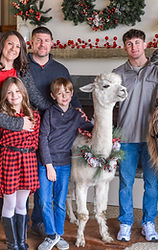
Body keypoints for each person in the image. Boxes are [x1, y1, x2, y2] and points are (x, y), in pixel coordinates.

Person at [28, 26, 82, 236]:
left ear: (52, 43)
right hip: (30, 130)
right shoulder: (23, 67)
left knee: (46, 181)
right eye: (38, 40)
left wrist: (81, 118)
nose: (42, 44)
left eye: (46, 40)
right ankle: (24, 218)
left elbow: (73, 97)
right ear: (31, 43)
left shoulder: (60, 69)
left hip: (54, 134)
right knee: (32, 180)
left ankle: (41, 223)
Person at [113, 29, 158, 242]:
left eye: (137, 42)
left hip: (152, 137)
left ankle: (148, 223)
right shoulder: (117, 73)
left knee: (151, 183)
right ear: (125, 47)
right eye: (129, 44)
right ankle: (125, 223)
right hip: (126, 137)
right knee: (125, 182)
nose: (134, 47)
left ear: (145, 45)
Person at [37, 78, 93, 250]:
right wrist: (48, 165)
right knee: (45, 200)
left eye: (67, 92)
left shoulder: (76, 115)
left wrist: (97, 121)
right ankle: (51, 235)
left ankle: (58, 234)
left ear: (72, 94)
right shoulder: (49, 114)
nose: (64, 96)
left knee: (61, 202)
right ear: (53, 96)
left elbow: (89, 128)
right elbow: (42, 140)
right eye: (59, 93)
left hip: (65, 164)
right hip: (46, 163)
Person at [0, 76, 40, 250]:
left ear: (23, 93)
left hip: (28, 160)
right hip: (9, 160)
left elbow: (35, 140)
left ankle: (21, 242)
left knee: (22, 204)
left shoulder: (34, 115)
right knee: (9, 203)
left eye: (17, 91)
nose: (14, 95)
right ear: (5, 96)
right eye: (9, 92)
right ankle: (12, 244)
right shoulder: (3, 116)